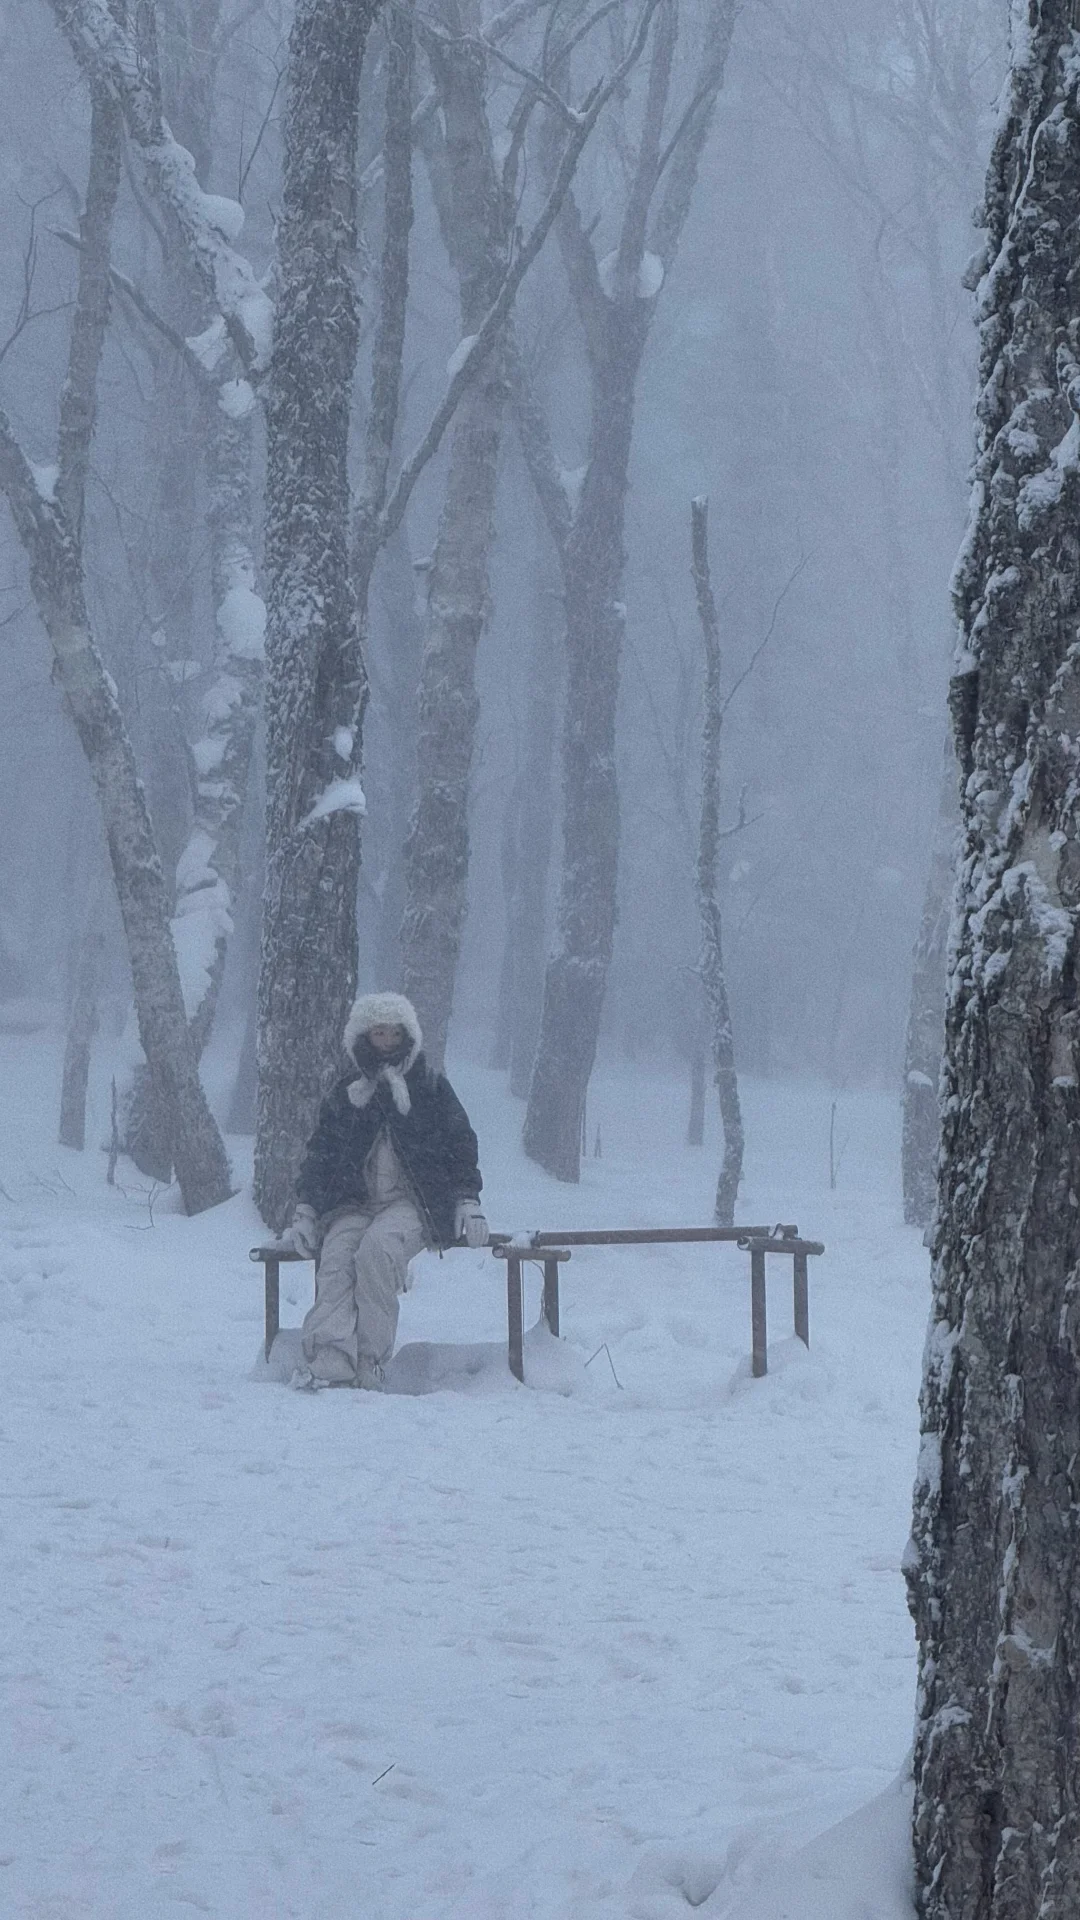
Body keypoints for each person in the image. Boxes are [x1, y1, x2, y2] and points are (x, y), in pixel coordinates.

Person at [284, 992, 488, 1390]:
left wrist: (468, 1202)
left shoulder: (430, 1087)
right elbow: (322, 1153)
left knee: (377, 1252)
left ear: (407, 1036)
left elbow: (460, 1143)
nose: (387, 1041)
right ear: (363, 1037)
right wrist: (306, 1211)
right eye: (379, 1032)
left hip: (414, 1204)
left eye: (395, 1033)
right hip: (353, 1202)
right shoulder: (347, 1093)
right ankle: (329, 1358)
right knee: (338, 1255)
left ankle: (370, 1361)